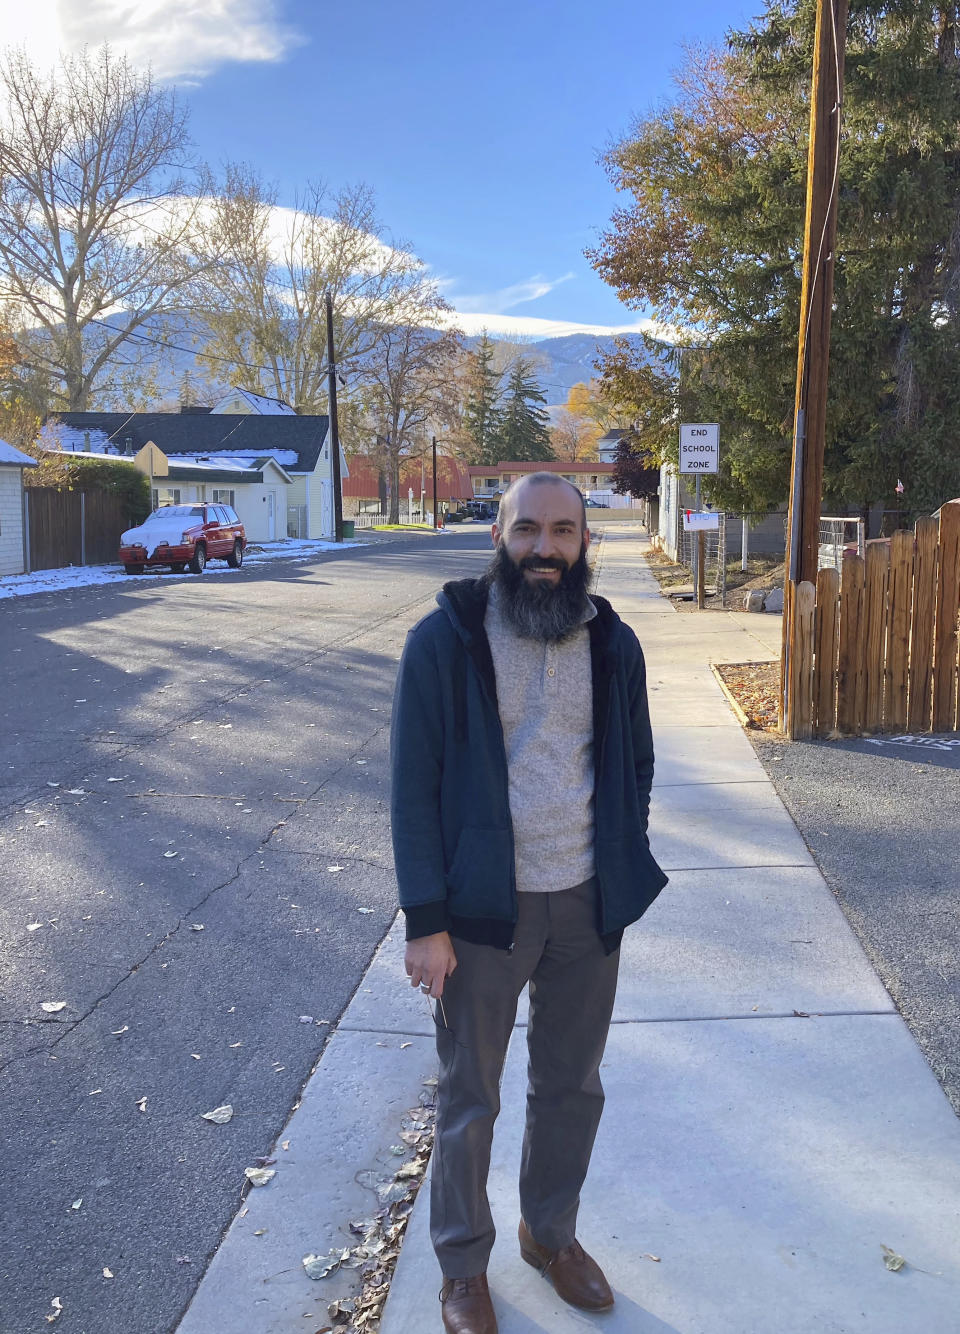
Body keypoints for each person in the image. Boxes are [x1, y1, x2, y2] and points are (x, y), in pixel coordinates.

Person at [390, 473, 667, 1334]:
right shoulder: (445, 642)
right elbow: (412, 789)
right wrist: (426, 922)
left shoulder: (613, 644)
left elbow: (637, 766)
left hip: (587, 904)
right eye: (526, 531)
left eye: (562, 532)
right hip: (483, 916)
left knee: (572, 1086)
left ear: (586, 541)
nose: (544, 550)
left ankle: (550, 1237)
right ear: (498, 537)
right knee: (471, 1096)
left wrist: (621, 862)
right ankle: (462, 1268)